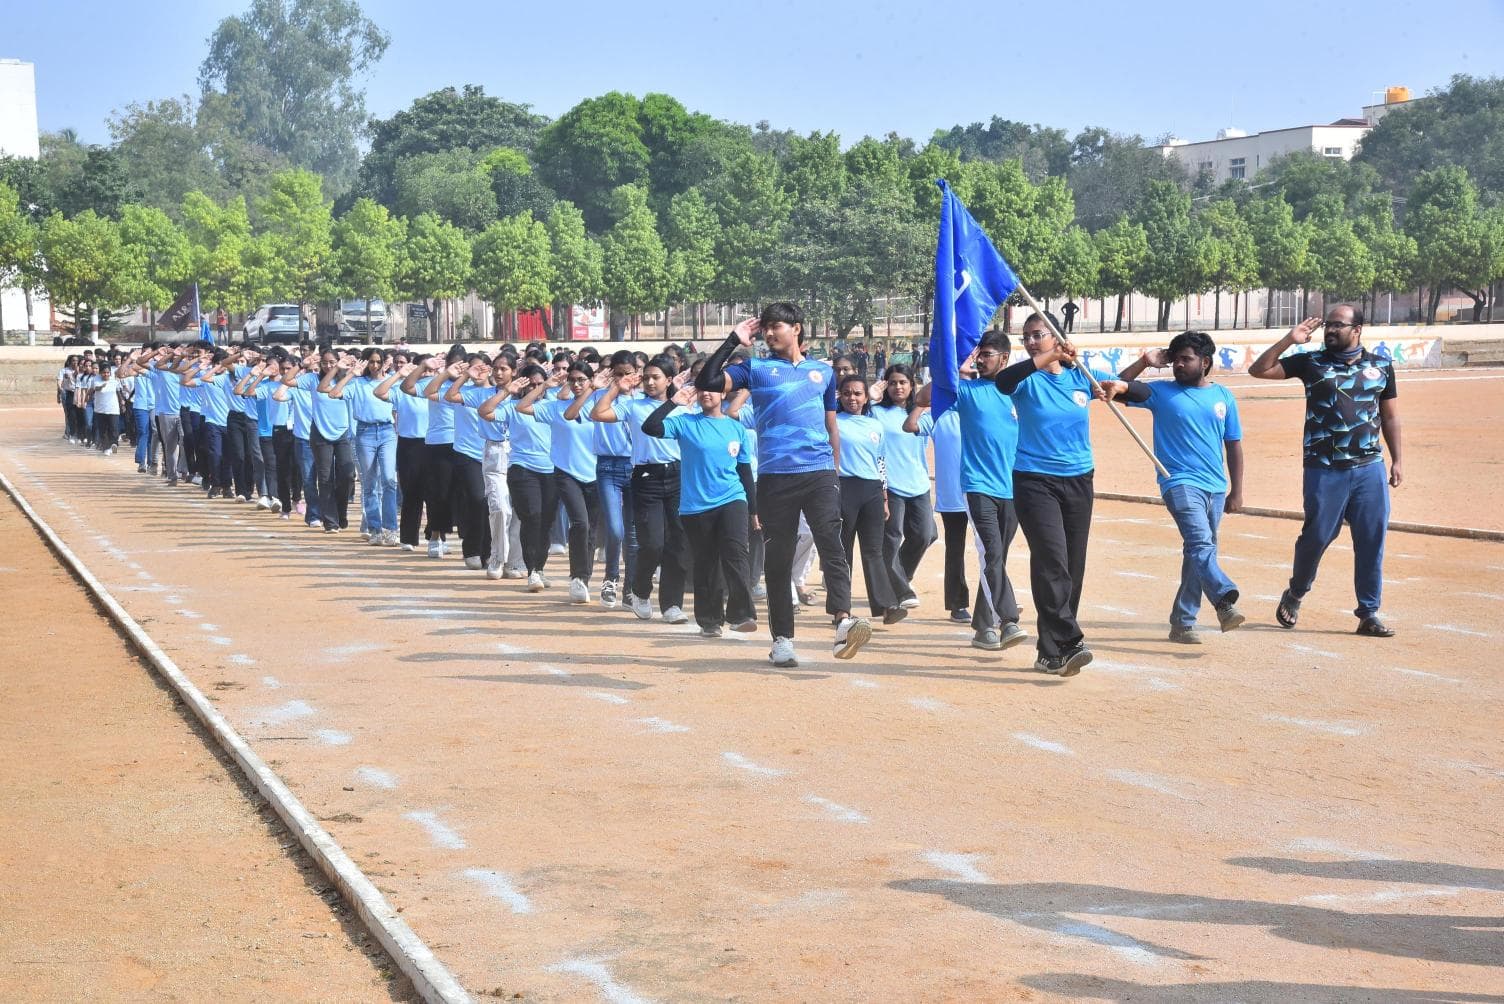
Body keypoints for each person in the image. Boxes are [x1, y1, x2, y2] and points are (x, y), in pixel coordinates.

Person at [696, 302, 870, 668]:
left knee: (830, 542)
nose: (770, 333)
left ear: (797, 328)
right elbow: (708, 381)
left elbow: (830, 425)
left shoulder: (822, 374)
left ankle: (842, 620)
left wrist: (835, 471)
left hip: (820, 471)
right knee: (778, 559)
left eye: (777, 326)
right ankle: (782, 640)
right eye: (766, 328)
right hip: (776, 477)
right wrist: (733, 341)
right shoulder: (755, 369)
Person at [1249, 306, 1402, 637]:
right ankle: (1296, 592)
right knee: (1317, 536)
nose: (1330, 330)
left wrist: (1397, 459)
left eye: (1337, 325)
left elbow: (1389, 416)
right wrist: (1288, 340)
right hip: (1324, 468)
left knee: (1372, 539)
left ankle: (1369, 613)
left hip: (1368, 468)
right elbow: (1258, 370)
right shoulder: (1311, 362)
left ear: (1357, 329)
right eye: (1328, 325)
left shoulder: (1380, 365)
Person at [992, 313, 1128, 675]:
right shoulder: (1026, 379)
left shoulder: (1080, 377)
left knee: (1072, 568)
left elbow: (1124, 390)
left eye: (1040, 335)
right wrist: (1047, 358)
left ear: (1058, 337)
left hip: (1079, 480)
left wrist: (1118, 387)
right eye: (1028, 337)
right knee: (1051, 559)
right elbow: (1003, 381)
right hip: (1035, 481)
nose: (1033, 341)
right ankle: (1069, 639)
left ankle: (1050, 652)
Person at [1117, 332, 1247, 642]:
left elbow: (1234, 446)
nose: (1178, 364)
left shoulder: (1224, 397)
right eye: (1175, 359)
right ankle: (1224, 601)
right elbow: (1114, 387)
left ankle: (1182, 621)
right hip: (1178, 481)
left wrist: (1236, 491)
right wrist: (1144, 362)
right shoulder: (1160, 392)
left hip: (1215, 487)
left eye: (1185, 359)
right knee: (1202, 543)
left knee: (1198, 552)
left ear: (1204, 362)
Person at [911, 331, 1029, 650]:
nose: (981, 358)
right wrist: (954, 370)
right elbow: (924, 398)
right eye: (980, 354)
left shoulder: (1022, 391)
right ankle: (1007, 619)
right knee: (991, 552)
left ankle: (981, 627)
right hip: (978, 486)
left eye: (988, 354)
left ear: (1005, 358)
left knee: (997, 559)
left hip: (1015, 487)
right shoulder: (967, 390)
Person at [642, 381, 759, 637]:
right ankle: (709, 620)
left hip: (732, 498)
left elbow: (744, 471)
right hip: (695, 506)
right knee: (706, 562)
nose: (707, 393)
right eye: (702, 389)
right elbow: (650, 427)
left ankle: (742, 614)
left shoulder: (736, 428)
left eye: (713, 389)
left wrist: (753, 508)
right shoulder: (685, 423)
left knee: (736, 553)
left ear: (723, 393)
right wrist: (673, 402)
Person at [591, 358, 689, 624]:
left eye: (656, 377)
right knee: (652, 543)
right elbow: (597, 414)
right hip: (646, 477)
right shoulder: (633, 406)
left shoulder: (684, 407)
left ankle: (671, 604)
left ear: (669, 379)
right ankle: (640, 591)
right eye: (646, 377)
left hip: (678, 476)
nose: (649, 381)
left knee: (677, 543)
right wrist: (616, 387)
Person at [524, 362, 602, 603]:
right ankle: (577, 578)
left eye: (582, 380)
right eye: (573, 380)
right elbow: (522, 406)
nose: (577, 384)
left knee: (591, 529)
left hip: (597, 474)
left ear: (591, 379)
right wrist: (545, 385)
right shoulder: (556, 407)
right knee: (579, 523)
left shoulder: (601, 406)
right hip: (566, 473)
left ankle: (585, 578)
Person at [834, 374, 907, 625]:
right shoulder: (832, 422)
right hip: (844, 488)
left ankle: (886, 605)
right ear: (839, 396)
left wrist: (885, 497)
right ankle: (840, 609)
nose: (852, 398)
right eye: (846, 394)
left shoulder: (875, 426)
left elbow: (881, 462)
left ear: (866, 397)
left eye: (857, 393)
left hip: (873, 491)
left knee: (874, 551)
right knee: (842, 552)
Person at [871, 364, 934, 611]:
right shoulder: (875, 412)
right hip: (890, 484)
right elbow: (848, 406)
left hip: (918, 482)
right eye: (893, 382)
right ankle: (901, 589)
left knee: (925, 534)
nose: (898, 387)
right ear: (886, 385)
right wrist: (870, 393)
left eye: (903, 382)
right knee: (892, 537)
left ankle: (898, 578)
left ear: (912, 386)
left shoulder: (921, 414)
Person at [339, 348, 400, 546]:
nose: (374, 366)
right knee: (370, 483)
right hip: (364, 432)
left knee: (390, 480)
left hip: (387, 432)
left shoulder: (392, 381)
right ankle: (374, 529)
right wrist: (350, 374)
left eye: (377, 362)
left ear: (384, 363)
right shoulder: (357, 383)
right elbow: (333, 392)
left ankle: (391, 528)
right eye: (370, 362)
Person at [375, 357, 429, 551]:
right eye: (422, 368)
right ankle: (408, 537)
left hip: (433, 443)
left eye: (429, 369)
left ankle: (435, 536)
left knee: (435, 494)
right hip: (408, 443)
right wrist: (399, 374)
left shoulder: (437, 387)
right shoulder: (401, 389)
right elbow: (379, 392)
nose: (426, 372)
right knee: (411, 493)